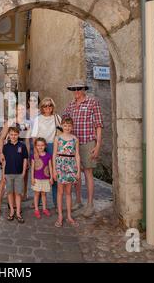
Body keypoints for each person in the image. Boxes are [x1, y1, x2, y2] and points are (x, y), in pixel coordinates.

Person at [62, 81, 103, 218]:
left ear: (84, 89)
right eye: (74, 89)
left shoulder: (92, 103)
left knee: (88, 173)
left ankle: (90, 204)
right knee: (76, 174)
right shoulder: (71, 105)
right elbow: (63, 122)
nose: (77, 91)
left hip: (87, 142)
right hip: (74, 144)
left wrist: (97, 145)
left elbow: (98, 124)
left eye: (79, 89)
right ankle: (78, 201)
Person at [0, 104, 30, 220]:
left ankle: (13, 205)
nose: (21, 111)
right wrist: (1, 153)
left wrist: (26, 158)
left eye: (23, 109)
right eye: (19, 109)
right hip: (8, 153)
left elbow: (27, 142)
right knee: (4, 180)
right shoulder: (10, 122)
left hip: (20, 155)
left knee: (18, 179)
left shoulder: (27, 125)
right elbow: (2, 138)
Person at [31, 97, 62, 210]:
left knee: (54, 174)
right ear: (42, 107)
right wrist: (35, 151)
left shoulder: (57, 118)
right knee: (39, 173)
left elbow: (62, 132)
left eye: (50, 105)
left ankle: (56, 202)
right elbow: (34, 135)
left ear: (52, 107)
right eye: (45, 106)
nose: (47, 107)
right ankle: (37, 201)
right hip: (40, 148)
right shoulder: (38, 119)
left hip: (53, 147)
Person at [53, 118, 81, 228]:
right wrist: (54, 170)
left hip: (71, 166)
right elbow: (54, 154)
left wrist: (78, 170)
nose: (67, 128)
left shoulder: (75, 139)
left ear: (72, 127)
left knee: (68, 192)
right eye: (65, 125)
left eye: (69, 126)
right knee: (60, 192)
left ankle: (69, 216)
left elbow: (77, 155)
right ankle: (60, 216)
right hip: (60, 165)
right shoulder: (57, 138)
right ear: (62, 126)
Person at [2, 126, 28, 224]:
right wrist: (3, 173)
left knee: (18, 193)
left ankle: (18, 213)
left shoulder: (22, 146)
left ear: (18, 135)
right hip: (8, 173)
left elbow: (25, 159)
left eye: (15, 135)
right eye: (11, 134)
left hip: (19, 174)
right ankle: (12, 211)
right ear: (9, 135)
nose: (13, 136)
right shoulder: (6, 147)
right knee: (9, 192)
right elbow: (4, 162)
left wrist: (24, 172)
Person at [30, 138, 53, 219]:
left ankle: (44, 208)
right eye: (38, 145)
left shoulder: (48, 156)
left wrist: (51, 178)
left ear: (45, 146)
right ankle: (36, 209)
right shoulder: (34, 156)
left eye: (42, 145)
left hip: (46, 178)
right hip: (36, 178)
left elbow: (50, 167)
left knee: (44, 194)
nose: (40, 147)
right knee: (36, 194)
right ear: (35, 146)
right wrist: (32, 178)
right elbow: (32, 168)